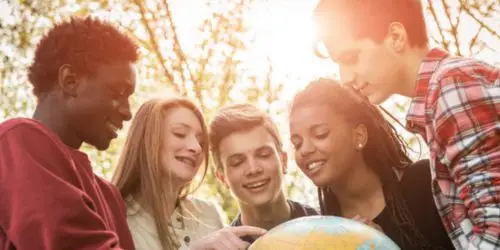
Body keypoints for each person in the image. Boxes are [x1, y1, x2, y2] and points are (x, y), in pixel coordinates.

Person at [312, 1, 500, 249]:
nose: (346, 77)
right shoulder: (442, 93)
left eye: (351, 58)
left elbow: (494, 231)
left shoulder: (450, 87)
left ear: (396, 37)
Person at [0, 17, 138, 249]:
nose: (127, 112)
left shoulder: (109, 195)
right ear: (70, 81)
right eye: (118, 92)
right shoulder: (17, 142)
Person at [289, 79, 454, 249]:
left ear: (359, 136)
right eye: (297, 143)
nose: (305, 150)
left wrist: (382, 245)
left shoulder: (424, 183)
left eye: (320, 134)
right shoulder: (320, 236)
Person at [112, 97, 265, 250]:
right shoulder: (114, 219)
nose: (196, 148)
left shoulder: (208, 214)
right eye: (180, 134)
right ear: (147, 139)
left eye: (201, 142)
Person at [209, 103, 319, 244]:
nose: (253, 169)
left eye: (263, 155)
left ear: (283, 161)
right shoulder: (224, 248)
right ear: (222, 178)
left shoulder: (327, 226)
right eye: (237, 162)